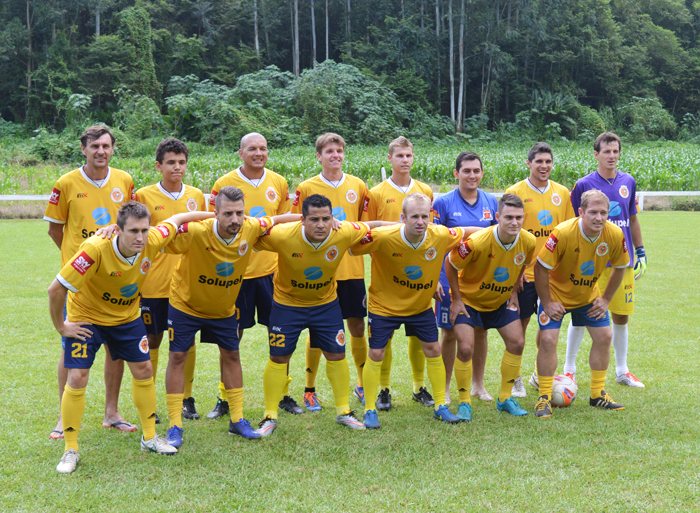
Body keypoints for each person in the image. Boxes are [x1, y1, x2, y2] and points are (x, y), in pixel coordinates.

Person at [47, 201, 212, 473]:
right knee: (77, 376)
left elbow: (181, 217)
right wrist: (62, 327)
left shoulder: (153, 239)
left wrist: (215, 214)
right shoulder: (95, 248)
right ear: (117, 231)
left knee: (144, 369)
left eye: (144, 230)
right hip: (87, 318)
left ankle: (149, 438)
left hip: (126, 317)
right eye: (133, 231)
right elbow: (56, 290)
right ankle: (70, 449)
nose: (140, 237)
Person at [162, 186, 300, 447]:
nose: (235, 220)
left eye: (239, 213)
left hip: (223, 308)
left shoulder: (250, 226)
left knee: (232, 354)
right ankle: (174, 425)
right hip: (185, 304)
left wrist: (310, 218)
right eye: (227, 214)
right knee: (178, 356)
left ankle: (237, 420)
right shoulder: (196, 231)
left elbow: (279, 219)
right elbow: (160, 234)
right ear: (215, 213)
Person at [254, 194, 392, 436]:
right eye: (314, 219)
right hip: (287, 305)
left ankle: (344, 412)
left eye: (326, 219)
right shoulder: (283, 234)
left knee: (337, 355)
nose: (320, 224)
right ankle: (269, 416)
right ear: (302, 220)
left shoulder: (344, 232)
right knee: (279, 358)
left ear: (333, 219)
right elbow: (253, 232)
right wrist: (277, 219)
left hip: (325, 304)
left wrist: (411, 226)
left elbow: (374, 226)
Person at [43, 125, 136, 440]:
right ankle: (62, 415)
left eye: (106, 146)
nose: (101, 151)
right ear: (83, 148)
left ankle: (112, 412)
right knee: (72, 349)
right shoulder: (66, 183)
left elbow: (132, 225)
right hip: (81, 285)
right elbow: (56, 230)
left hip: (116, 280)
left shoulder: (124, 181)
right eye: (94, 146)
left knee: (116, 349)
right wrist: (77, 262)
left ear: (113, 149)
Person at [350, 193, 464, 428]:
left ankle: (440, 405)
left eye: (425, 216)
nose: (420, 221)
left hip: (419, 306)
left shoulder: (439, 234)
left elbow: (469, 232)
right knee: (377, 353)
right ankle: (370, 409)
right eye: (414, 216)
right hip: (384, 306)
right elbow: (352, 247)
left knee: (433, 349)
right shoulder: (383, 237)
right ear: (403, 217)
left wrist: (498, 228)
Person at [206, 133, 298, 419]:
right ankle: (224, 397)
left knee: (281, 334)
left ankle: (283, 393)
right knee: (231, 337)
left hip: (271, 273)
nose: (258, 153)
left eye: (263, 148)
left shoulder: (279, 182)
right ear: (240, 152)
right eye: (252, 149)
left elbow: (282, 226)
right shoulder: (224, 183)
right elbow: (214, 225)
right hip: (235, 274)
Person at [533, 190, 629, 417]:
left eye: (603, 213)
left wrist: (605, 299)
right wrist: (546, 302)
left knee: (605, 336)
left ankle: (597, 395)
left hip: (587, 297)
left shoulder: (614, 234)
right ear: (581, 212)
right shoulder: (563, 233)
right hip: (556, 296)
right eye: (593, 212)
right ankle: (544, 398)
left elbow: (621, 266)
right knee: (547, 339)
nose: (599, 218)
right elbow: (540, 267)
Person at [291, 134, 370, 412]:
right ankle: (309, 389)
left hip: (352, 270)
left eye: (339, 151)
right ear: (319, 156)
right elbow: (296, 225)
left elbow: (363, 227)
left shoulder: (358, 186)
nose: (335, 155)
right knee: (317, 330)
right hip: (321, 272)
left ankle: (361, 384)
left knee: (357, 326)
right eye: (329, 151)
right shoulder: (306, 187)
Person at [563, 132, 647, 388]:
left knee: (621, 316)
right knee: (582, 314)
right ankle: (569, 370)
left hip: (622, 261)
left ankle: (622, 370)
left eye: (616, 151)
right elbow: (572, 222)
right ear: (596, 154)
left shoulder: (628, 182)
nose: (612, 156)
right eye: (607, 151)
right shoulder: (584, 184)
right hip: (590, 262)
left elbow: (632, 218)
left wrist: (640, 251)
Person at [445, 194, 536, 421]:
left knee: (517, 342)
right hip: (469, 301)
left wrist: (514, 290)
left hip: (499, 301)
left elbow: (522, 265)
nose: (514, 222)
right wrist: (456, 299)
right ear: (497, 217)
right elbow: (450, 263)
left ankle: (504, 399)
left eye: (518, 217)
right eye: (508, 217)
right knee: (465, 348)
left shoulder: (529, 241)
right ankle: (464, 402)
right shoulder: (477, 241)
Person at [360, 136, 436, 410]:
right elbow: (367, 233)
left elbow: (433, 236)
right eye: (399, 156)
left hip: (419, 277)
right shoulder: (377, 192)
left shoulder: (424, 190)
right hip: (388, 275)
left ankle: (419, 387)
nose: (404, 160)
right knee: (385, 336)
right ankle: (384, 389)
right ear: (389, 159)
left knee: (419, 334)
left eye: (408, 156)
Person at [135, 138, 206, 422]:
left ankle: (186, 398)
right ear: (159, 166)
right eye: (171, 163)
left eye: (182, 162)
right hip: (153, 282)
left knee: (185, 342)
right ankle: (150, 399)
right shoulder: (143, 196)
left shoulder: (197, 196)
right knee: (152, 340)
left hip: (188, 283)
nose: (177, 167)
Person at [504, 142, 575, 392]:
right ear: (529, 163)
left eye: (548, 161)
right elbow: (508, 236)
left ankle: (537, 374)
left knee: (548, 328)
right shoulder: (514, 191)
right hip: (524, 274)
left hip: (552, 276)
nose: (544, 166)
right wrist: (515, 273)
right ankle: (515, 379)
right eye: (539, 162)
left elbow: (568, 233)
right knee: (518, 331)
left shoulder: (562, 193)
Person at [431, 151, 499, 404]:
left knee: (481, 331)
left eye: (476, 170)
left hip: (481, 282)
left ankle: (478, 385)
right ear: (456, 173)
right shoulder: (443, 204)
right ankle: (446, 388)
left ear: (482, 173)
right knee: (449, 334)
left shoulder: (491, 202)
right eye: (467, 171)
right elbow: (435, 245)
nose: (472, 175)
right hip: (450, 282)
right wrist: (435, 279)